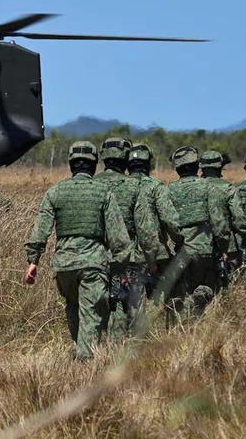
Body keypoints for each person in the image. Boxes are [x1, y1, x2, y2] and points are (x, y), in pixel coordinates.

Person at [23, 141, 132, 361]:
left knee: (73, 306)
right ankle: (85, 363)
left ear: (71, 165)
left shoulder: (55, 192)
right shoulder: (104, 193)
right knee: (91, 313)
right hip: (93, 264)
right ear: (93, 166)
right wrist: (119, 268)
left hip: (64, 266)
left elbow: (40, 230)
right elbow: (119, 239)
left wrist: (33, 261)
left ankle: (81, 350)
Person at [164, 146, 231, 327]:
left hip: (181, 251)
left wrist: (178, 241)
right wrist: (223, 248)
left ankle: (186, 325)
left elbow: (168, 222)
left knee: (183, 291)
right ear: (196, 166)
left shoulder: (168, 191)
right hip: (206, 250)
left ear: (177, 168)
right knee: (207, 289)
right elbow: (220, 223)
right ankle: (199, 321)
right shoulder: (209, 187)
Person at [92, 137, 142, 341]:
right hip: (126, 253)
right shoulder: (134, 186)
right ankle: (123, 343)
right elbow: (144, 227)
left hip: (95, 253)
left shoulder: (91, 184)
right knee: (126, 301)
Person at [128, 143, 183, 306]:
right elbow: (170, 220)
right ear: (148, 165)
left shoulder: (122, 186)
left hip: (128, 253)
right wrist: (179, 241)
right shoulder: (156, 187)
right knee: (174, 295)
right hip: (158, 253)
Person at [199, 150, 246, 286]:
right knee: (230, 284)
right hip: (229, 247)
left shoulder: (195, 187)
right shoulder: (228, 188)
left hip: (198, 246)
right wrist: (245, 238)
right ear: (219, 167)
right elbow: (239, 218)